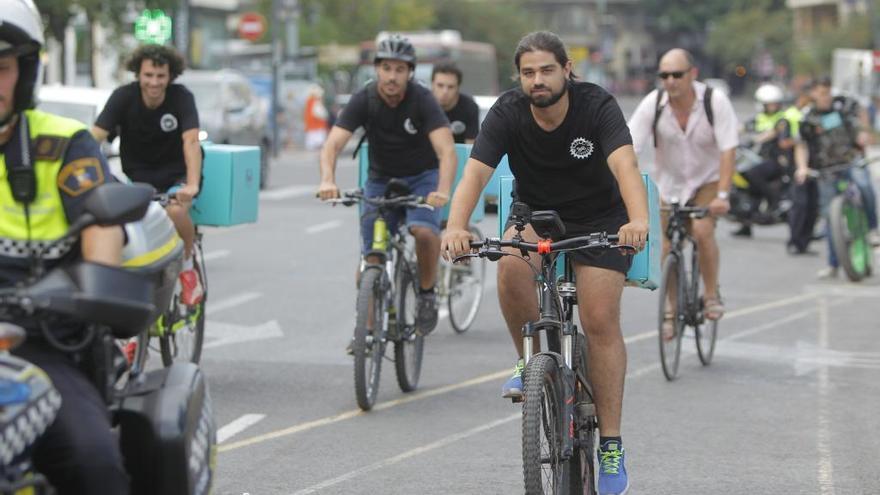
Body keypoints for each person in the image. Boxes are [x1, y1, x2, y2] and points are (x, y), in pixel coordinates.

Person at [442, 31, 649, 495]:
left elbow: (626, 167)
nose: (538, 80)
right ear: (519, 78)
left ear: (567, 69)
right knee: (509, 265)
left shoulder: (596, 106)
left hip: (601, 218)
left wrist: (637, 219)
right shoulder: (508, 113)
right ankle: (528, 362)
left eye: (547, 70)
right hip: (537, 216)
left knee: (599, 319)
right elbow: (474, 174)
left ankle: (611, 443)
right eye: (528, 72)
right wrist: (455, 226)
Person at [0, 1, 129, 492]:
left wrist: (97, 281)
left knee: (94, 463)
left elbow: (102, 222)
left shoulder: (64, 143)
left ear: (26, 71)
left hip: (36, 344)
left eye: (1, 68)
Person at [317, 34, 457, 336]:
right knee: (372, 257)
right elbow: (332, 146)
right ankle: (368, 335)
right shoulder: (364, 99)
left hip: (422, 178)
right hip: (380, 180)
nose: (392, 76)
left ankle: (427, 293)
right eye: (386, 68)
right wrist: (328, 179)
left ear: (410, 73)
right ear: (377, 70)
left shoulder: (422, 100)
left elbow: (446, 151)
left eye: (399, 69)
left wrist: (442, 190)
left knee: (424, 232)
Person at [628, 48, 738, 324]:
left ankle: (711, 295)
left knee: (702, 230)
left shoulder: (715, 101)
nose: (670, 81)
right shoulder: (653, 104)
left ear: (692, 74)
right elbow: (630, 147)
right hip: (668, 185)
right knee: (663, 247)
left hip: (707, 182)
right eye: (664, 75)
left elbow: (728, 151)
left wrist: (723, 195)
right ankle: (672, 307)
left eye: (677, 74)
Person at [91, 44, 203, 306]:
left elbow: (191, 142)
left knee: (175, 212)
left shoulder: (181, 98)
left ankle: (188, 271)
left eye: (161, 76)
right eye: (148, 75)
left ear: (170, 76)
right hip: (139, 179)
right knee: (128, 226)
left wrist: (193, 184)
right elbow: (93, 138)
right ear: (138, 74)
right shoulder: (122, 97)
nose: (154, 82)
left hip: (178, 175)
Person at [794, 77, 879, 277]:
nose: (826, 97)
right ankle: (833, 264)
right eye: (821, 93)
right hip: (826, 170)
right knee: (829, 218)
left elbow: (860, 117)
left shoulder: (842, 105)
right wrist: (802, 167)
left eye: (828, 92)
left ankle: (873, 230)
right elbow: (802, 145)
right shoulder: (807, 117)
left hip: (851, 161)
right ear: (812, 93)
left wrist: (863, 135)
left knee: (864, 184)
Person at [733, 83, 798, 237]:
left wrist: (756, 139)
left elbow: (773, 133)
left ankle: (774, 201)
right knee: (746, 184)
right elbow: (741, 128)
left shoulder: (782, 119)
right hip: (757, 158)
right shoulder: (758, 118)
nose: (773, 106)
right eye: (769, 104)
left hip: (776, 159)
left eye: (775, 103)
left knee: (753, 174)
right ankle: (746, 223)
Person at [430, 61, 480, 144]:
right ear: (432, 84)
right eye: (440, 85)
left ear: (458, 87)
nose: (445, 91)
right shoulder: (422, 105)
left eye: (450, 87)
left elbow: (471, 149)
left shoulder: (470, 108)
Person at [304, 85, 329, 150]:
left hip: (312, 125)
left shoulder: (308, 101)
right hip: (317, 126)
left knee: (312, 144)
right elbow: (320, 113)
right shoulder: (316, 102)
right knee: (318, 144)